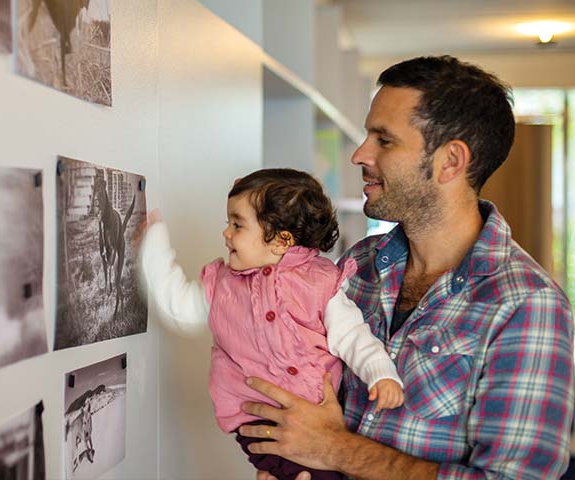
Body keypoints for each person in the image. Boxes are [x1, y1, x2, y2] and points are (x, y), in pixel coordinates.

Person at [240, 55, 575, 480]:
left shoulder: (527, 305)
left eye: (384, 139)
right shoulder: (357, 266)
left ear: (450, 161)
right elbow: (316, 406)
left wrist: (338, 450)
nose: (360, 155)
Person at [140, 168, 404, 480]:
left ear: (281, 240)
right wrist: (153, 248)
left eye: (237, 224)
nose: (226, 233)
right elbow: (179, 308)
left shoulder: (319, 282)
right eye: (229, 222)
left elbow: (353, 336)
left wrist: (381, 374)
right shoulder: (222, 284)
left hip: (322, 416)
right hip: (257, 425)